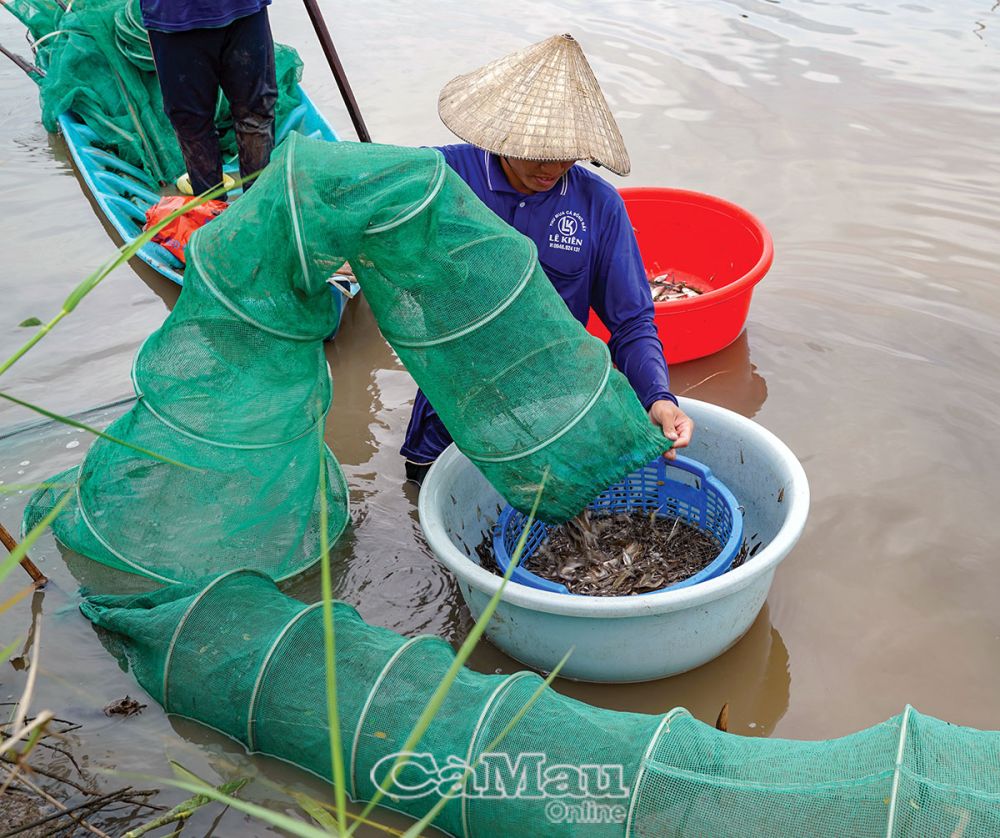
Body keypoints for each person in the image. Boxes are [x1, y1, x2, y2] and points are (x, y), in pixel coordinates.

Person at [401, 33, 693, 485]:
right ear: (501, 133)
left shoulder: (598, 206)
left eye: (565, 154)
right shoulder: (442, 179)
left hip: (552, 407)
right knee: (423, 501)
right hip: (454, 400)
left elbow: (632, 321)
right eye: (537, 152)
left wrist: (659, 397)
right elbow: (354, 198)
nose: (551, 168)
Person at [140, 0, 278, 195]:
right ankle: (211, 208)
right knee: (191, 122)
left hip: (244, 10)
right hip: (175, 16)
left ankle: (261, 203)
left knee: (256, 113)